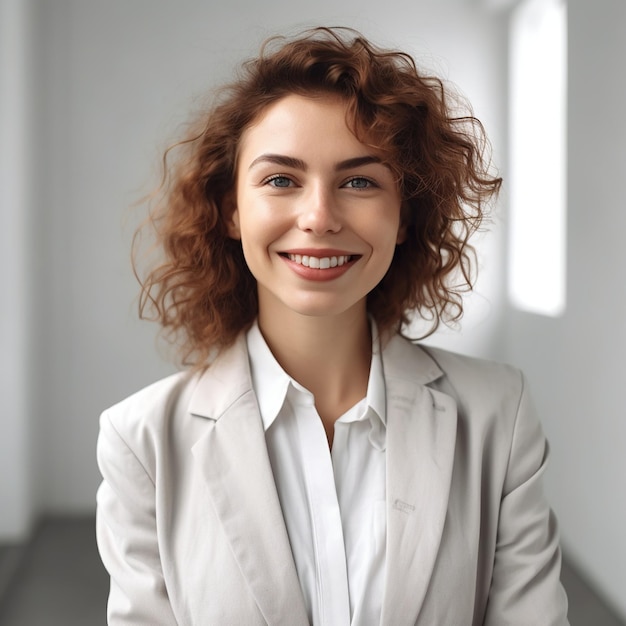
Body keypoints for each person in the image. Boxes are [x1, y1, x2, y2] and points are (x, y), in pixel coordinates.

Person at [95, 27, 569, 625]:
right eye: (280, 180)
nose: (318, 217)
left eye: (360, 181)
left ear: (403, 217)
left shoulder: (500, 414)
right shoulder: (140, 441)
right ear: (232, 211)